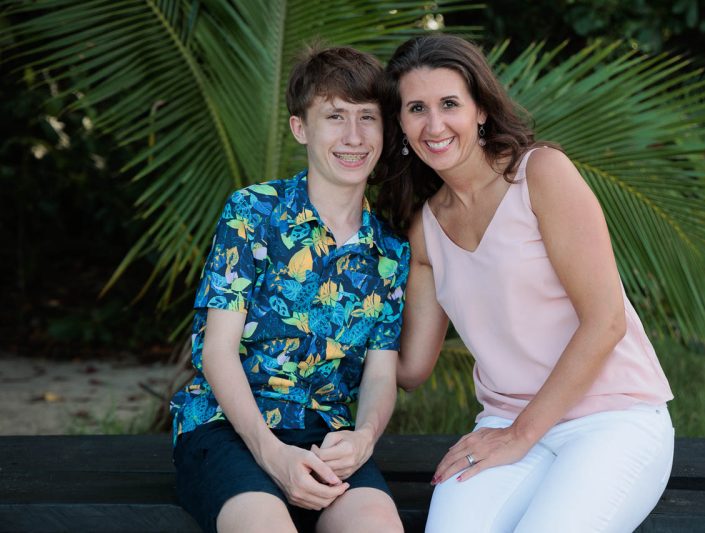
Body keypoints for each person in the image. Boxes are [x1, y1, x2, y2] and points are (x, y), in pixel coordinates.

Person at [375, 33, 674, 533]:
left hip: (613, 419)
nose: (434, 124)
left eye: (450, 103)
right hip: (503, 423)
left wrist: (521, 434)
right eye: (416, 108)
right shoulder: (424, 231)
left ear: (481, 110)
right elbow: (411, 369)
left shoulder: (541, 174)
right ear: (400, 124)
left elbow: (606, 322)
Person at [170, 45, 409, 533]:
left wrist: (363, 438)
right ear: (301, 128)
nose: (353, 136)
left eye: (368, 117)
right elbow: (217, 352)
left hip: (326, 434)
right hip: (227, 429)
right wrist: (272, 454)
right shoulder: (253, 211)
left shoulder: (389, 249)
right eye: (335, 116)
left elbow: (381, 372)